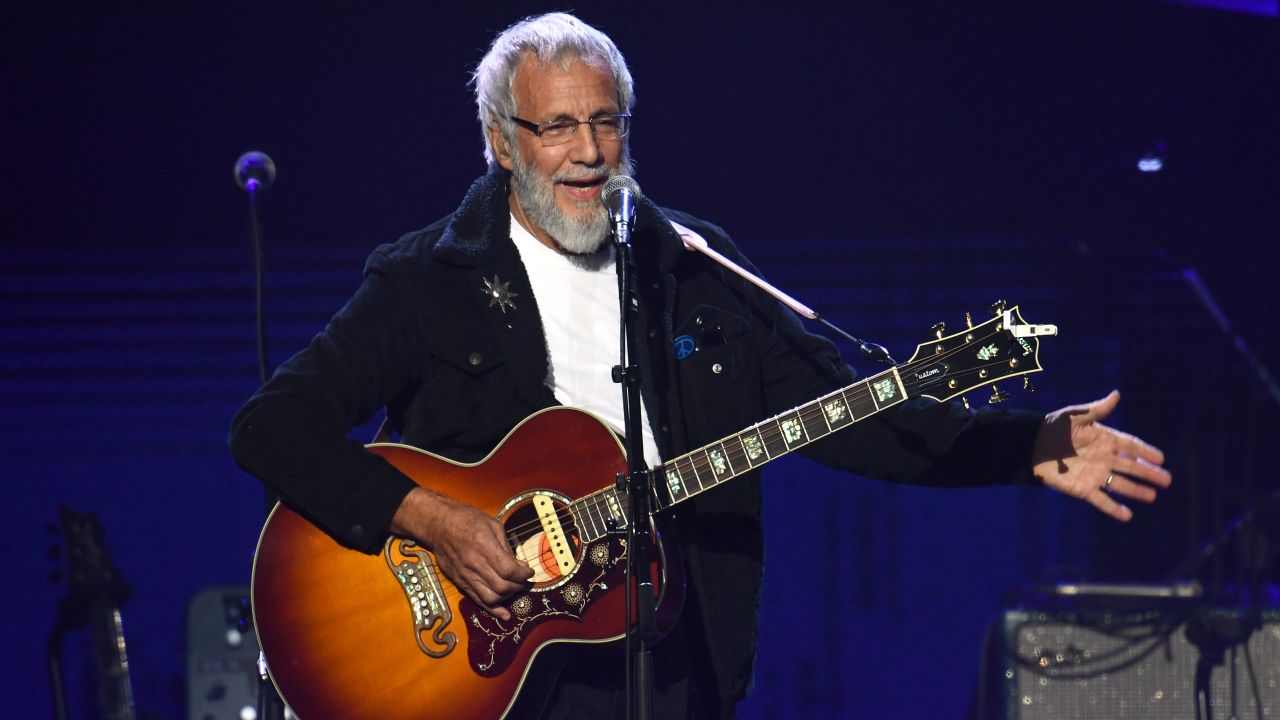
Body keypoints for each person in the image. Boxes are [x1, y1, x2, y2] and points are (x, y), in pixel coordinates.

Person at [229, 12, 1171, 719]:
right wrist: (434, 518)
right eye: (558, 128)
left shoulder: (696, 266)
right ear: (500, 141)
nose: (589, 154)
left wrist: (1030, 443)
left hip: (674, 662)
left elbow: (855, 419)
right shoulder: (426, 281)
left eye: (608, 122)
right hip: (493, 669)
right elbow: (271, 428)